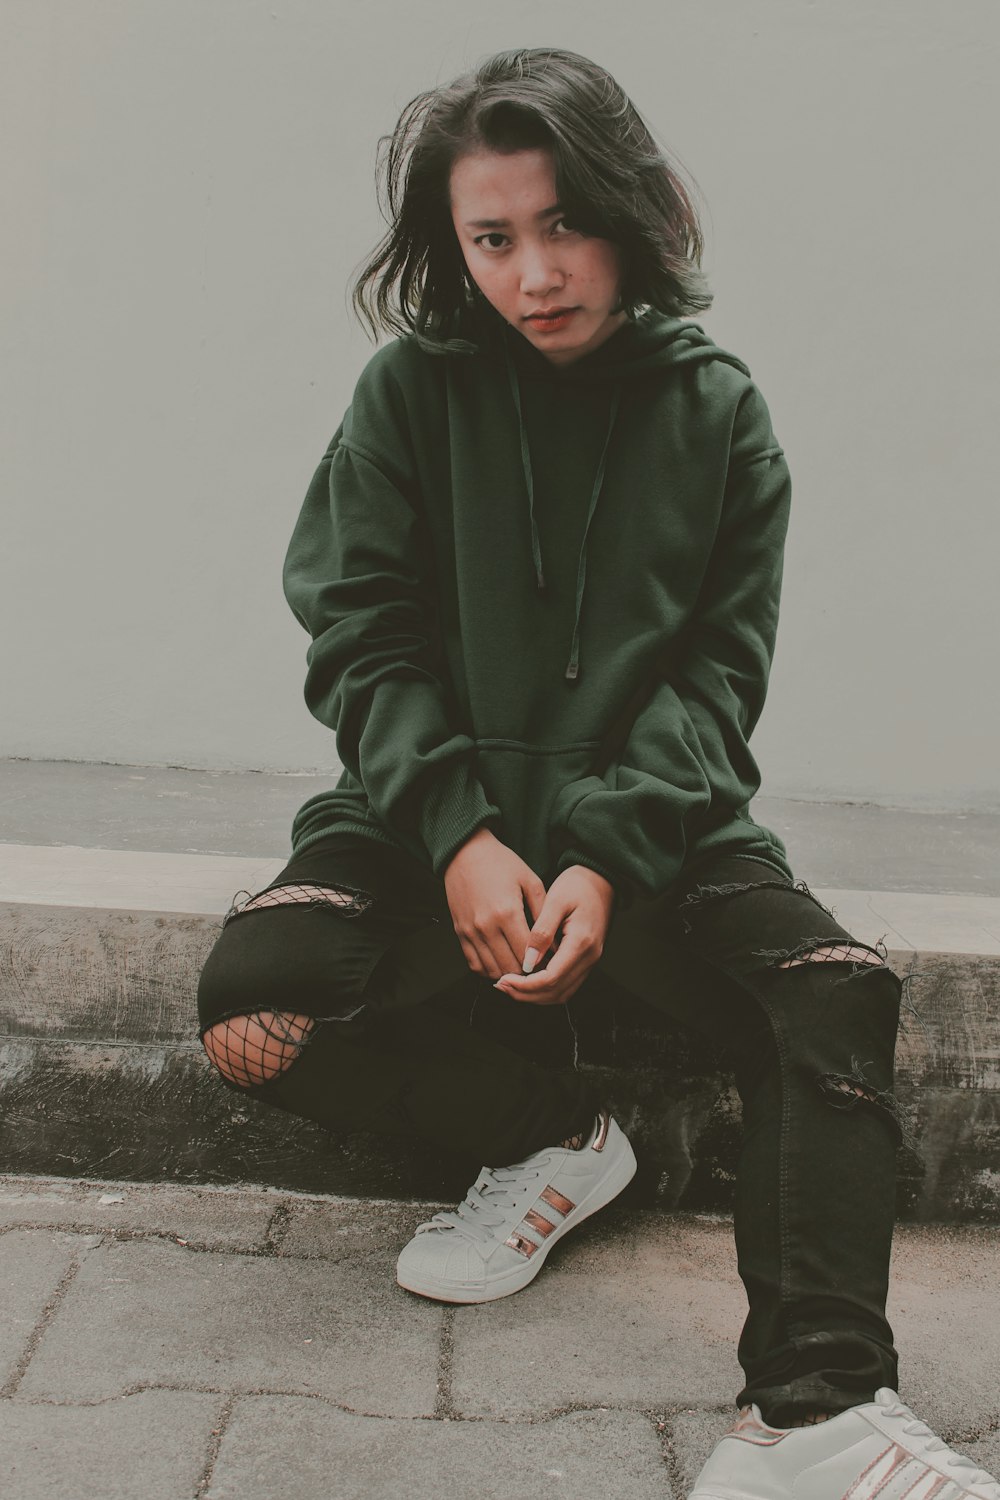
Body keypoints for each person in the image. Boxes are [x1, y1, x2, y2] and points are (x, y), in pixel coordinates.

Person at [195, 47, 999, 1499]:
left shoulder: (719, 413)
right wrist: (454, 834)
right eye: (491, 237)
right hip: (425, 813)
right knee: (254, 1004)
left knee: (832, 988)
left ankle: (810, 1414)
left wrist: (608, 858)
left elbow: (717, 679)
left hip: (657, 825)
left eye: (563, 223)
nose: (533, 271)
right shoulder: (406, 398)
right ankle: (552, 1143)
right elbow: (360, 641)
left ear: (634, 215)